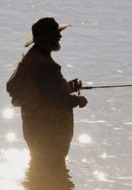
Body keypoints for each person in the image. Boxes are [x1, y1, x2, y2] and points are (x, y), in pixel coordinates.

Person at [6, 17, 88, 165]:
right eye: (57, 34)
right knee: (54, 173)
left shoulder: (31, 59)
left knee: (39, 171)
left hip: (34, 130)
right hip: (49, 133)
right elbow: (54, 99)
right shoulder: (45, 66)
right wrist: (78, 100)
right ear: (47, 38)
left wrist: (68, 88)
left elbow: (42, 92)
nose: (60, 37)